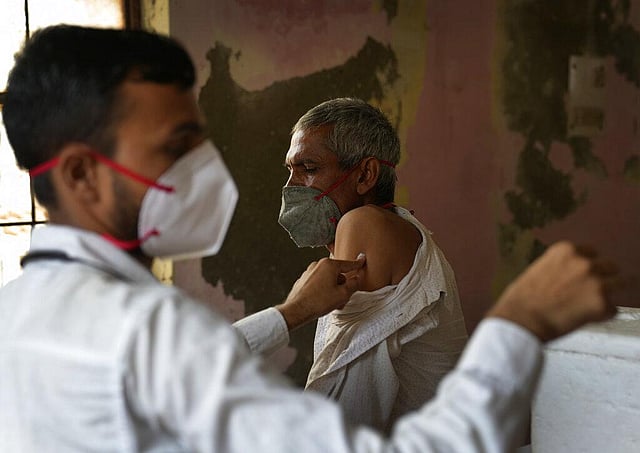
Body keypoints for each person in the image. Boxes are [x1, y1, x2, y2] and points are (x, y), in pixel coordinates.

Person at [0, 25, 617, 453]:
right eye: (174, 147)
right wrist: (517, 325)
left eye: (308, 169)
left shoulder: (16, 311)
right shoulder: (150, 328)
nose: (201, 170)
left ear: (364, 175)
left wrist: (292, 312)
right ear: (80, 174)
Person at [278, 98, 468, 431]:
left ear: (365, 175)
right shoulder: (395, 225)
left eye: (309, 168)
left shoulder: (363, 223)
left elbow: (347, 409)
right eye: (290, 170)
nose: (291, 187)